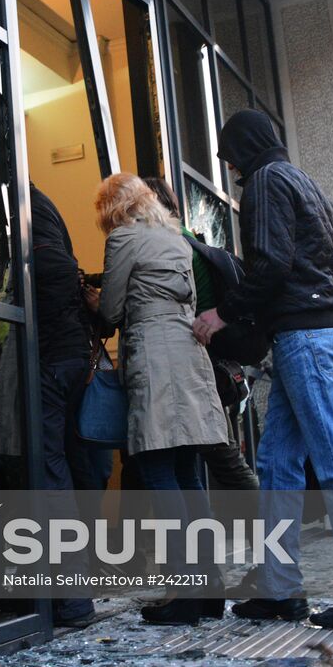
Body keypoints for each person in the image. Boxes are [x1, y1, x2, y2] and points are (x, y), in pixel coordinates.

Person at [194, 110, 333, 630]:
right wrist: (310, 317)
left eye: (229, 155)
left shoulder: (266, 182)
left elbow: (269, 264)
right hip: (309, 333)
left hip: (302, 339)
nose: (228, 165)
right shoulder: (308, 185)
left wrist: (223, 313)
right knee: (278, 465)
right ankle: (280, 589)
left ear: (243, 148)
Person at [89, 173, 230, 626]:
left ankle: (185, 593)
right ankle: (208, 589)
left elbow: (111, 312)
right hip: (189, 354)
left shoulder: (124, 238)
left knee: (155, 468)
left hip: (153, 355)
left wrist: (91, 298)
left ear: (113, 209)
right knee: (188, 472)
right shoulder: (176, 239)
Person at [143, 177, 260, 493]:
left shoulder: (171, 247)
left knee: (221, 455)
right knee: (192, 458)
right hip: (206, 364)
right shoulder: (189, 239)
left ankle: (273, 525)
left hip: (195, 365)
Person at [27, 182, 99, 628]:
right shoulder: (55, 234)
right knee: (70, 470)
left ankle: (72, 599)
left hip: (52, 362)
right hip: (73, 360)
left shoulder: (38, 243)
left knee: (52, 475)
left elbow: (47, 300)